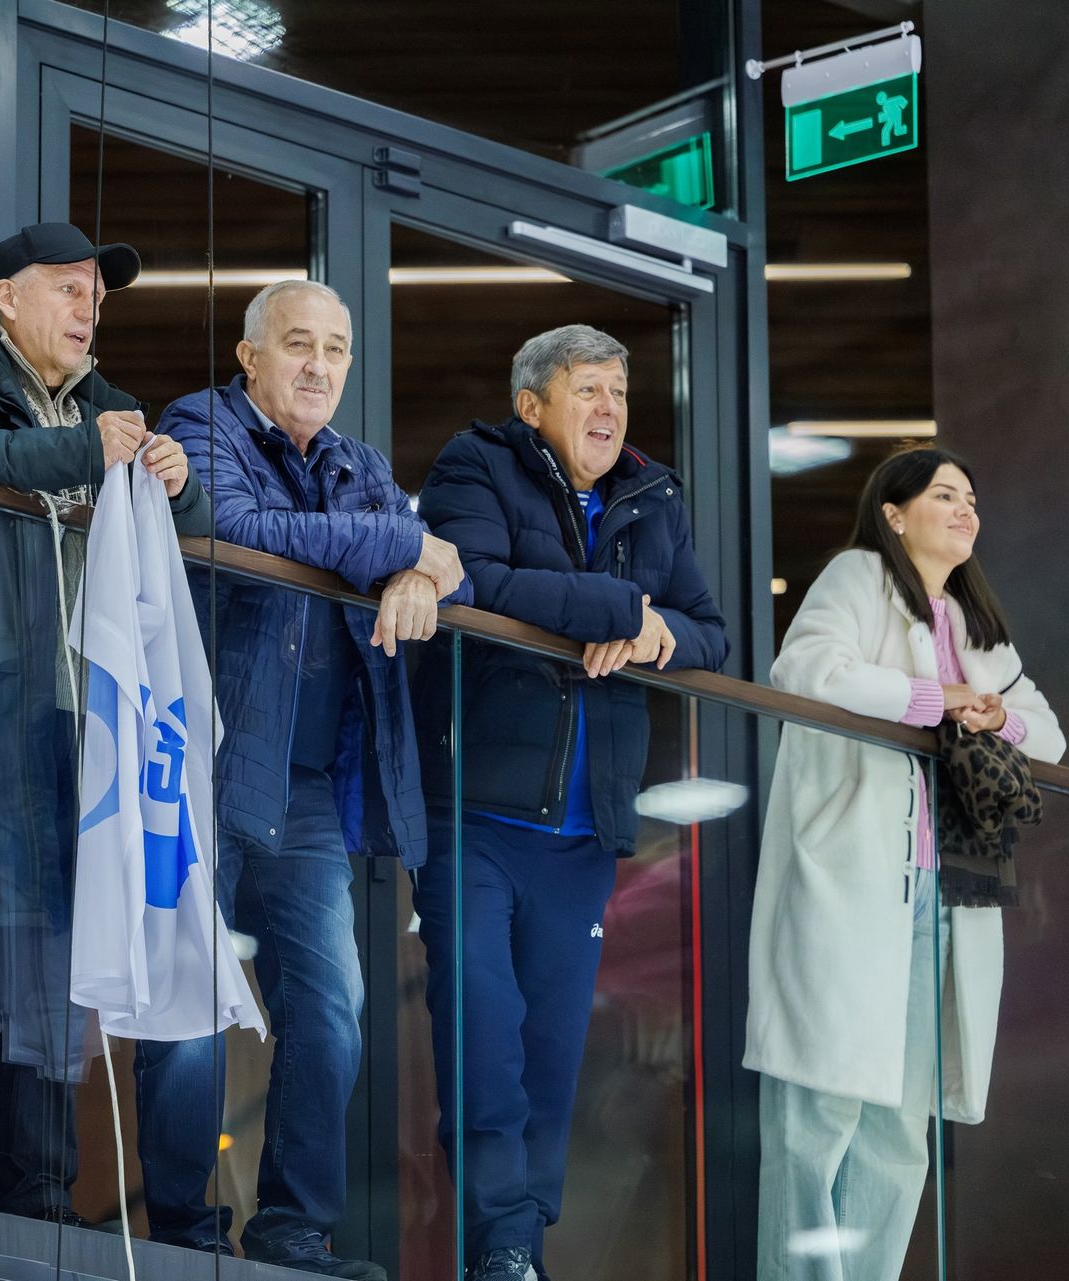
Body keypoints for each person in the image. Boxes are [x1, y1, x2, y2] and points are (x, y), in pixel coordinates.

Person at [143, 279, 468, 1279]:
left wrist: (417, 571)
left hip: (316, 785)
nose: (319, 365)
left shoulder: (358, 464)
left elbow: (449, 562)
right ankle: (181, 1231)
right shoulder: (200, 423)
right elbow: (242, 531)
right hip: (206, 759)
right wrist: (402, 544)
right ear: (251, 358)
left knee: (333, 1004)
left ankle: (292, 1232)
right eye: (298, 344)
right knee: (190, 997)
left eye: (335, 348)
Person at [0, 221, 209, 1224]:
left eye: (96, 296)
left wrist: (178, 488)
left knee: (57, 936)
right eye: (67, 287)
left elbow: (187, 536)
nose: (88, 307)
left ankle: (35, 1178)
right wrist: (83, 449)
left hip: (78, 705)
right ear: (6, 297)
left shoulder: (110, 403)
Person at [413, 324, 728, 1281]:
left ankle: (519, 1244)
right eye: (588, 389)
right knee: (483, 1034)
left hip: (587, 829)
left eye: (618, 394)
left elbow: (708, 631)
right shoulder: (476, 463)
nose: (608, 410)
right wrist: (618, 611)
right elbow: (476, 580)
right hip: (475, 815)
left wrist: (652, 634)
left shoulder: (652, 493)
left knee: (550, 1050)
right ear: (532, 403)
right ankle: (496, 1238)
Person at [746, 449, 1062, 1281]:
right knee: (818, 1110)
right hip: (853, 881)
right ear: (894, 512)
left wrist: (994, 716)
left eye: (973, 498)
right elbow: (806, 668)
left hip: (945, 891)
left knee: (898, 1128)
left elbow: (1049, 733)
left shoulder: (974, 625)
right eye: (945, 494)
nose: (966, 509)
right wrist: (936, 700)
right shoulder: (858, 577)